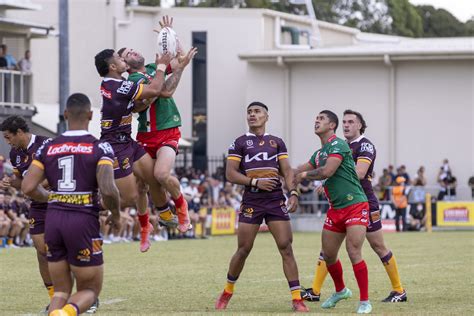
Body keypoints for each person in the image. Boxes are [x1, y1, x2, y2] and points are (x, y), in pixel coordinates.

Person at [21, 93, 121, 315]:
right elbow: (108, 189)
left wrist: (54, 198)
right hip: (82, 220)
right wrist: (116, 214)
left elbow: (27, 187)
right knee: (90, 289)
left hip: (53, 221)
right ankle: (65, 313)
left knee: (60, 292)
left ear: (65, 114)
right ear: (91, 115)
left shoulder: (47, 147)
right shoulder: (100, 147)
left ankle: (58, 311)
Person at [301, 110, 406, 305]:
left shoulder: (364, 145)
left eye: (351, 122)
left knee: (377, 245)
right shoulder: (339, 146)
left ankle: (398, 290)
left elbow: (359, 172)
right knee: (328, 249)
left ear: (360, 125)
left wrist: (326, 176)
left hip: (362, 200)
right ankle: (315, 291)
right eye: (345, 122)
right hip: (342, 202)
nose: (347, 125)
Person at [215, 101, 309, 312]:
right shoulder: (239, 142)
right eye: (249, 112)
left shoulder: (277, 142)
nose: (252, 115)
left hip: (275, 200)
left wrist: (293, 193)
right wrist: (255, 182)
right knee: (243, 249)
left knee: (286, 247)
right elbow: (230, 173)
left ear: (266, 117)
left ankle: (297, 299)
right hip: (252, 200)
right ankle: (227, 292)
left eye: (257, 112)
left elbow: (287, 171)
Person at [94, 48, 178, 252]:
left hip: (127, 141)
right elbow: (156, 89)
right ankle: (94, 206)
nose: (123, 60)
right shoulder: (119, 86)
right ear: (113, 67)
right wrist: (160, 66)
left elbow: (136, 105)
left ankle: (165, 213)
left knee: (153, 179)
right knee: (131, 198)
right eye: (119, 58)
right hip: (114, 146)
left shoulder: (116, 84)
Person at [118, 15, 196, 233]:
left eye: (133, 49)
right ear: (125, 65)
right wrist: (176, 67)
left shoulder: (155, 67)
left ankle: (181, 208)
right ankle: (152, 222)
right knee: (144, 184)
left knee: (161, 175)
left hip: (168, 131)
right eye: (128, 54)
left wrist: (171, 35)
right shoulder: (133, 80)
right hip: (145, 135)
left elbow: (179, 58)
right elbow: (163, 90)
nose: (133, 52)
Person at [294, 110, 371, 314]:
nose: (316, 121)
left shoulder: (339, 144)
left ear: (331, 125)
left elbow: (326, 171)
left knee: (353, 251)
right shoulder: (319, 153)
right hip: (336, 210)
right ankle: (341, 291)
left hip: (355, 204)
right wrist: (279, 169)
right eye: (315, 118)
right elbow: (298, 169)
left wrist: (301, 175)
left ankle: (365, 301)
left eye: (321, 119)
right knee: (328, 255)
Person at [0, 115, 55, 307]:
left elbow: (54, 173)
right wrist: (10, 182)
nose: (7, 142)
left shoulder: (46, 144)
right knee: (42, 251)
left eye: (8, 137)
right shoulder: (15, 153)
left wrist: (33, 186)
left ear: (20, 133)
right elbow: (19, 180)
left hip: (58, 201)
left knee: (61, 250)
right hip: (37, 204)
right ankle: (54, 298)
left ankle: (84, 293)